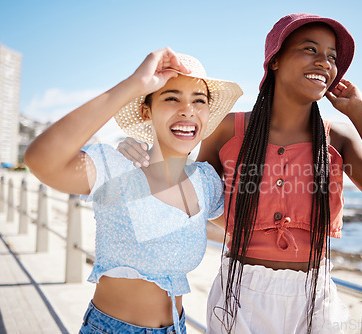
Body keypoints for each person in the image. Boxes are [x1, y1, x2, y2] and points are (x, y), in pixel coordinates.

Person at [118, 13, 362, 334]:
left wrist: (360, 112)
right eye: (310, 49)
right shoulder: (229, 129)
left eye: (331, 57)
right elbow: (200, 200)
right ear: (274, 61)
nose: (324, 63)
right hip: (240, 292)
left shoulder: (337, 137)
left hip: (314, 297)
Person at [24, 48, 242, 334]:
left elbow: (235, 231)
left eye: (198, 100)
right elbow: (42, 160)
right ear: (145, 110)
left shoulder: (206, 182)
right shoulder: (117, 168)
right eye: (171, 97)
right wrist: (134, 84)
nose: (187, 109)